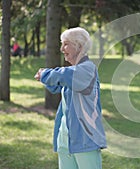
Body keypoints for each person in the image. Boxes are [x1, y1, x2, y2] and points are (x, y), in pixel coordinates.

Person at [34, 27, 106, 169]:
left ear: (79, 46)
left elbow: (62, 75)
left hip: (85, 139)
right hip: (66, 138)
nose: (62, 49)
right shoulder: (73, 74)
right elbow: (58, 85)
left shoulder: (87, 69)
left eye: (66, 44)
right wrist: (45, 79)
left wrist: (45, 74)